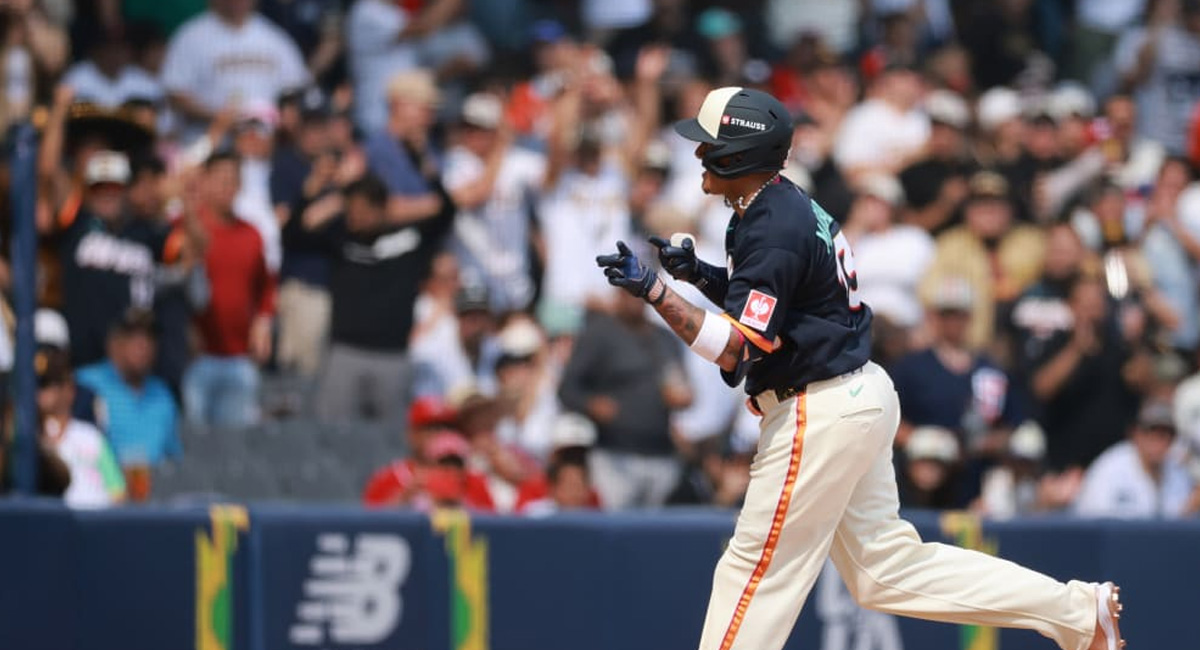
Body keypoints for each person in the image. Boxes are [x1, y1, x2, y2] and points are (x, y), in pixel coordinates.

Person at [597, 86, 1123, 650]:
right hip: (853, 393)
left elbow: (738, 349)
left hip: (818, 407)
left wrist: (655, 291)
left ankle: (1075, 613)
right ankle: (1075, 611)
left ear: (738, 156)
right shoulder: (778, 204)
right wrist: (701, 276)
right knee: (884, 572)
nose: (698, 156)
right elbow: (784, 304)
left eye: (709, 146)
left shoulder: (771, 224)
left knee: (754, 571)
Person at [282, 165, 455, 421]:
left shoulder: (410, 242)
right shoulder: (341, 241)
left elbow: (447, 212)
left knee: (390, 440)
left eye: (363, 209)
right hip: (345, 354)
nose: (355, 216)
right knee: (333, 434)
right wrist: (314, 189)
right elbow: (292, 236)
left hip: (393, 356)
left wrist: (426, 167)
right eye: (351, 209)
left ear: (381, 208)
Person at [558, 290, 693, 509]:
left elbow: (683, 388)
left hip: (662, 454)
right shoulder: (599, 334)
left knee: (656, 536)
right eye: (629, 293)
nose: (635, 299)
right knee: (617, 533)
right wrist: (591, 404)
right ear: (618, 294)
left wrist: (683, 397)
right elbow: (567, 389)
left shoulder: (664, 338)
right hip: (614, 455)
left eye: (639, 293)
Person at [184, 152, 275, 428]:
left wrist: (263, 322)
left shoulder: (252, 234)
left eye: (233, 181)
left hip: (239, 359)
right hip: (196, 359)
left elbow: (266, 288)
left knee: (236, 446)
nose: (227, 188)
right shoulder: (187, 227)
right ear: (206, 181)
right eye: (220, 179)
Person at [160, 0, 308, 142]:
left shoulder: (274, 38)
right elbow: (175, 93)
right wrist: (220, 118)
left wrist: (283, 116)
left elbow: (296, 89)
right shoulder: (191, 36)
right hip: (211, 146)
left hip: (266, 146)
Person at [76, 310, 181, 469]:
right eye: (133, 337)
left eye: (149, 337)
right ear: (114, 343)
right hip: (99, 485)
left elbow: (173, 457)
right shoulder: (87, 383)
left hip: (153, 487)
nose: (143, 345)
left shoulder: (162, 394)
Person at [35, 346, 126, 508]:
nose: (43, 392)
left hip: (96, 525)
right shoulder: (28, 437)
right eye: (40, 384)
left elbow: (118, 493)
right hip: (51, 524)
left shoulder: (91, 437)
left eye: (50, 384)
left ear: (70, 389)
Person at [1075, 401, 1197, 518]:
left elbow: (1176, 525)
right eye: (1151, 432)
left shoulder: (1178, 471)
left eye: (1165, 434)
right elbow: (1096, 525)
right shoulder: (1110, 467)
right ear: (1135, 433)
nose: (1158, 441)